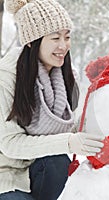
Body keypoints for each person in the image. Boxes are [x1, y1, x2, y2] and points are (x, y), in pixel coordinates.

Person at [0, 0, 103, 200]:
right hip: (8, 172)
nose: (63, 46)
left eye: (67, 37)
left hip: (42, 167)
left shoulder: (65, 75)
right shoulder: (7, 77)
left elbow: (71, 125)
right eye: (55, 38)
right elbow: (9, 144)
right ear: (32, 41)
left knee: (58, 160)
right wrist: (69, 142)